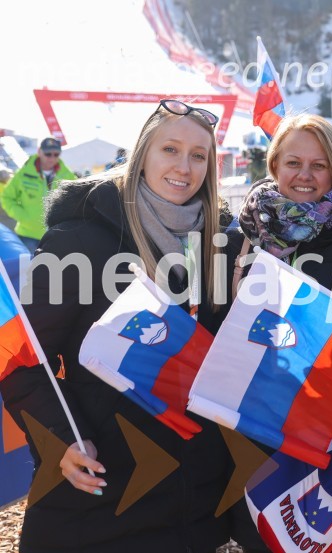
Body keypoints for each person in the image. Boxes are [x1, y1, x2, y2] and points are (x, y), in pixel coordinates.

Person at [0, 99, 235, 552]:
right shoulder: (81, 240)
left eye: (198, 155)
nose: (184, 167)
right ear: (142, 152)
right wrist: (59, 440)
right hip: (101, 500)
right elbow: (21, 358)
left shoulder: (223, 247)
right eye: (170, 149)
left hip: (194, 505)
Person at [231, 113, 332, 553]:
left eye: (319, 164)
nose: (305, 176)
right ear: (274, 166)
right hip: (255, 429)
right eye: (293, 162)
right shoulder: (239, 238)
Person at [1, 137, 75, 253]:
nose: (52, 158)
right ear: (39, 152)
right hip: (27, 235)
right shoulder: (24, 173)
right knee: (27, 269)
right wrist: (22, 216)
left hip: (55, 235)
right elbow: (6, 197)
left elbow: (75, 200)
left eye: (56, 154)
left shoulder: (67, 175)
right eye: (48, 154)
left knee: (51, 270)